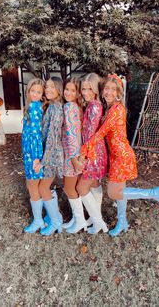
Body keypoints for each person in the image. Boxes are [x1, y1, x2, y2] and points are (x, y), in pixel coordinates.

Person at [81, 74, 159, 237]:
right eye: (106, 88)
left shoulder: (117, 109)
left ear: (118, 93)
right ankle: (122, 222)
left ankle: (152, 194)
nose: (108, 92)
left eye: (112, 89)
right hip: (115, 155)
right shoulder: (109, 108)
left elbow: (101, 132)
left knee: (113, 193)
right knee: (119, 191)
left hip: (122, 156)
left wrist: (85, 148)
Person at [76, 73, 108, 234]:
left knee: (81, 188)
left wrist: (83, 156)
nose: (86, 92)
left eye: (90, 89)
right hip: (96, 151)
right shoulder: (92, 105)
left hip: (93, 153)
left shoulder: (94, 106)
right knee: (94, 184)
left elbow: (89, 135)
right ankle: (95, 217)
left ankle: (98, 221)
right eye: (83, 89)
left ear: (96, 90)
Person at [34, 77, 64, 236]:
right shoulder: (50, 106)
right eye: (47, 87)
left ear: (58, 89)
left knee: (42, 187)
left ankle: (55, 221)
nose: (48, 90)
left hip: (52, 155)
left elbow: (53, 137)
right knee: (44, 186)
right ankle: (56, 217)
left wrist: (43, 161)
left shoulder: (57, 108)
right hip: (48, 152)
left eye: (52, 87)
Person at [61, 77, 86, 233]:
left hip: (71, 155)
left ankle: (80, 221)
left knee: (69, 188)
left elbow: (71, 135)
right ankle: (77, 219)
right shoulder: (76, 107)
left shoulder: (69, 107)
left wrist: (73, 159)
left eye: (73, 90)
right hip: (75, 153)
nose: (68, 93)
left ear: (77, 93)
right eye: (67, 89)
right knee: (72, 188)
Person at [22, 78, 45, 234]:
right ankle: (42, 218)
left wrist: (37, 158)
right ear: (28, 92)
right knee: (34, 185)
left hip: (33, 153)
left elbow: (37, 135)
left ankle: (38, 221)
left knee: (33, 186)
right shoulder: (31, 106)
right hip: (28, 151)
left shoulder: (35, 108)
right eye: (33, 91)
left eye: (39, 92)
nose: (35, 94)